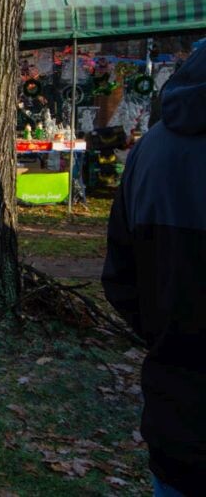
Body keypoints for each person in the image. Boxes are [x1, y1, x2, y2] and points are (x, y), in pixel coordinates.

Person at [102, 42, 206, 497]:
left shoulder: (151, 150)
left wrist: (165, 332)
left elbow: (120, 278)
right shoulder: (152, 150)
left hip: (175, 401)